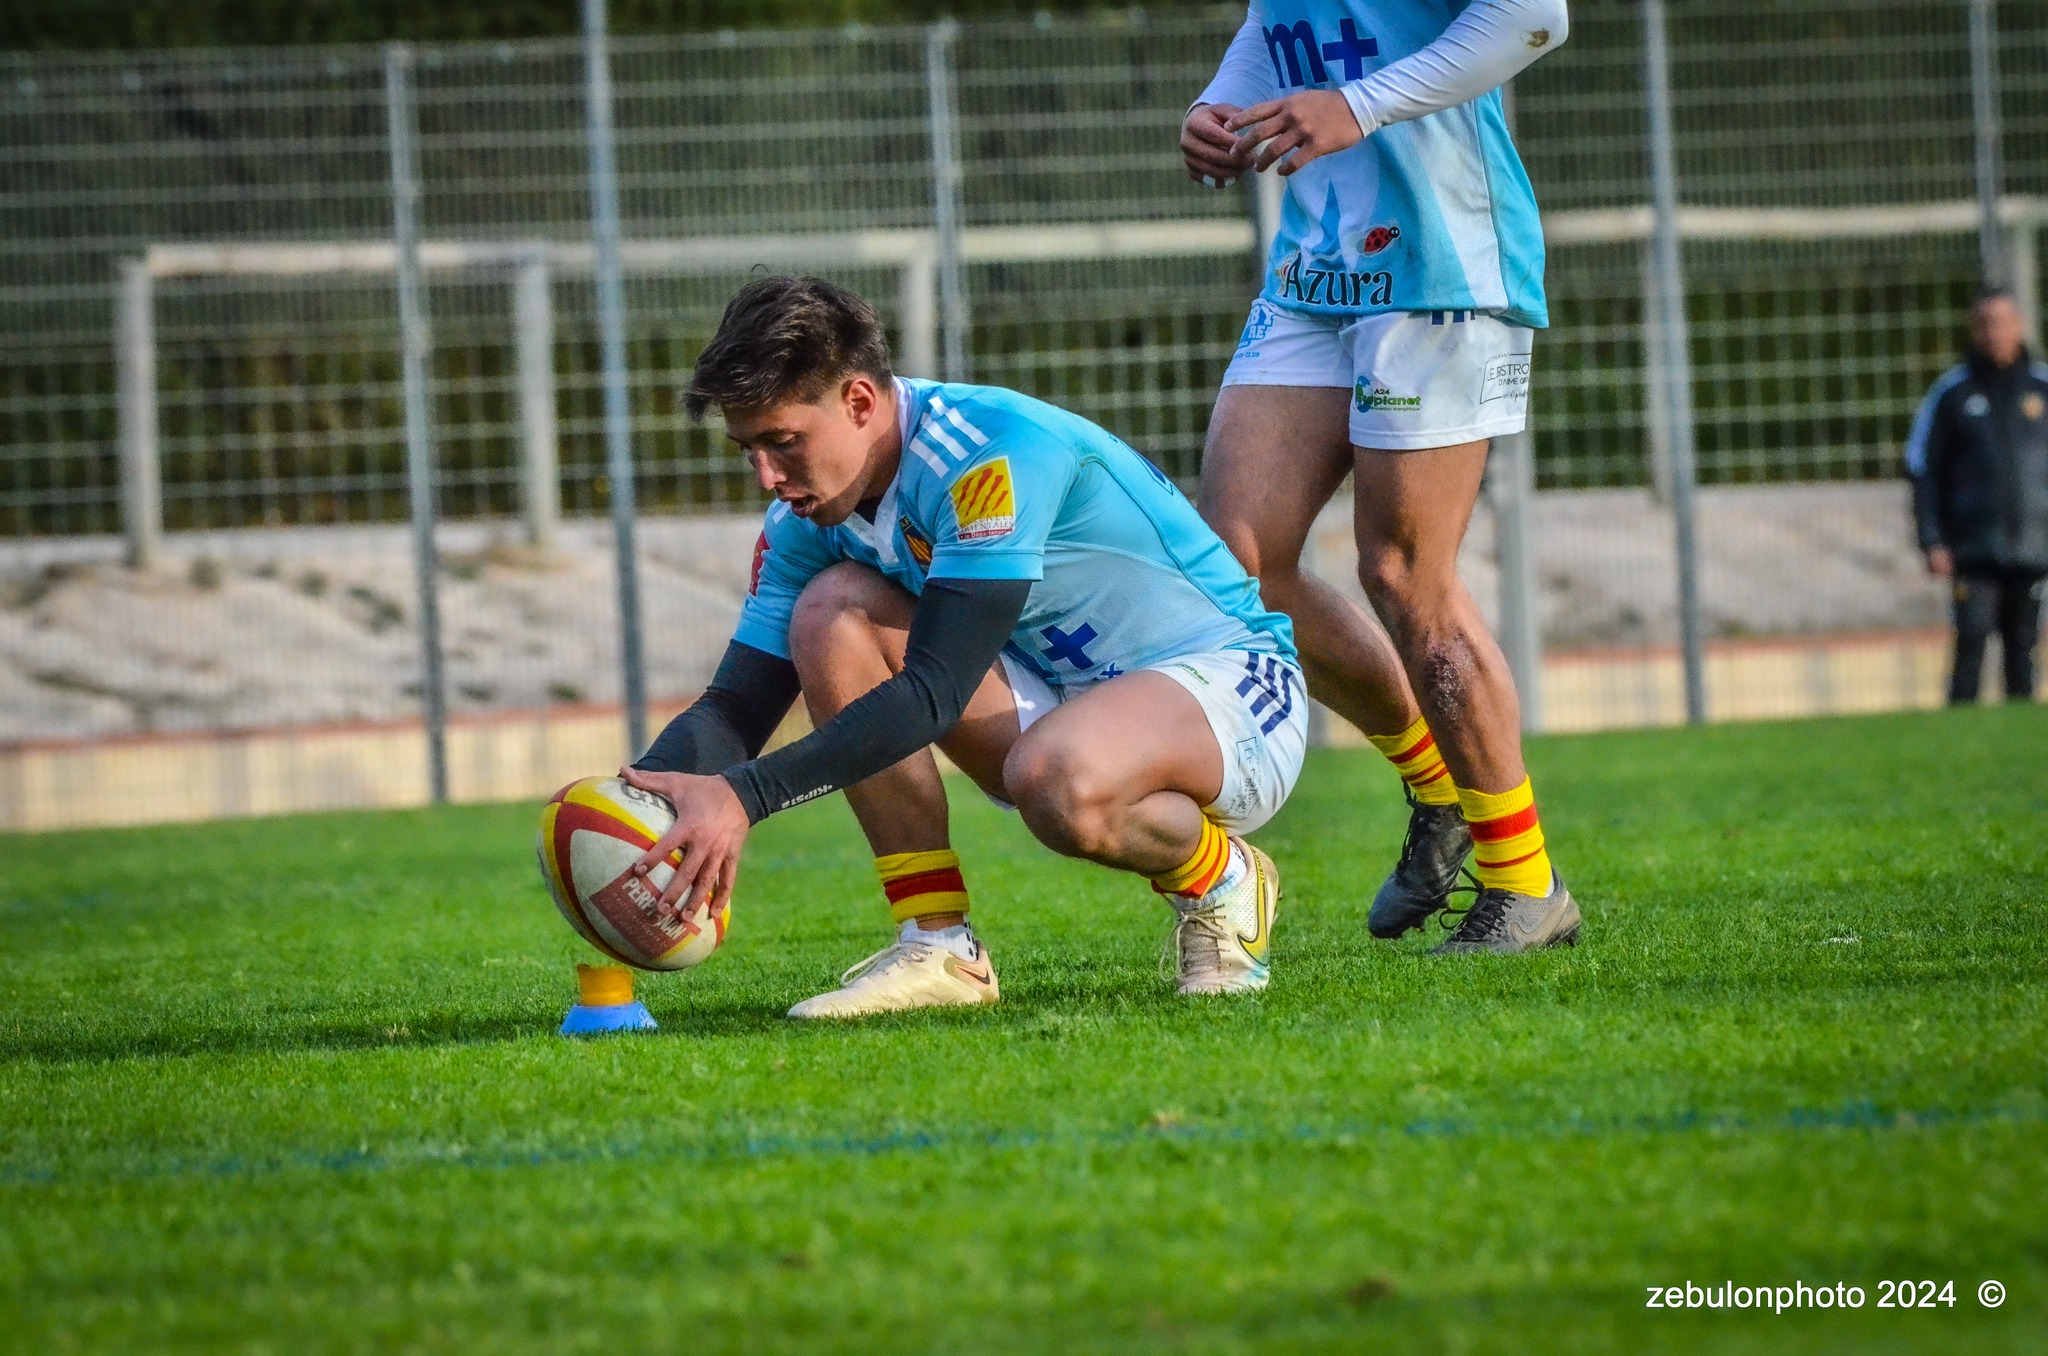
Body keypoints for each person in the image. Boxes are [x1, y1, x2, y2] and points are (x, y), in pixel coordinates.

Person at [616, 276, 1308, 1018]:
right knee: (829, 614)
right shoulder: (804, 524)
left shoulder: (988, 456)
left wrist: (743, 799)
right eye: (748, 449)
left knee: (1057, 777)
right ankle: (939, 946)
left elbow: (936, 690)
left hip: (1232, 691)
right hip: (1066, 701)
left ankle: (1224, 879)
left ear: (858, 401)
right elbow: (736, 706)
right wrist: (633, 800)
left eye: (783, 443)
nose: (768, 477)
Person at [1175, 0, 1579, 953]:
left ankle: (1526, 884)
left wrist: (1361, 104)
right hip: (1315, 266)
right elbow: (1279, 22)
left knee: (1403, 575)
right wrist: (1222, 104)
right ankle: (1435, 784)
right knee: (1237, 560)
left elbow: (1535, 16)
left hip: (1440, 264)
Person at [1906, 287, 2048, 704]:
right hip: (1971, 547)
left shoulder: (2042, 388)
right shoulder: (1951, 394)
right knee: (1971, 638)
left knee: (2023, 645)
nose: (1994, 332)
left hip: (2034, 544)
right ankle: (1957, 737)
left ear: (2019, 326)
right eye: (1985, 324)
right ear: (1973, 329)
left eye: (2002, 322)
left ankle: (2020, 742)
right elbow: (1921, 470)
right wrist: (1932, 538)